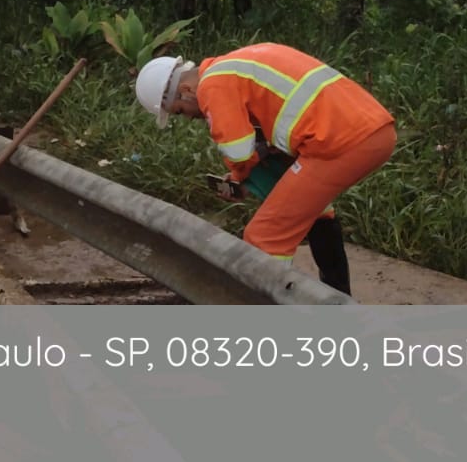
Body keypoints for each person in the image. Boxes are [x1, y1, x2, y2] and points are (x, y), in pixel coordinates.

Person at [136, 42, 396, 294]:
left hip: (338, 142)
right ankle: (339, 304)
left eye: (181, 111)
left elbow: (238, 149)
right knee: (317, 216)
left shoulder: (212, 84)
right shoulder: (237, 63)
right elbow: (265, 137)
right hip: (371, 133)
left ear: (186, 90)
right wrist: (248, 178)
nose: (191, 117)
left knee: (265, 237)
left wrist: (238, 176)